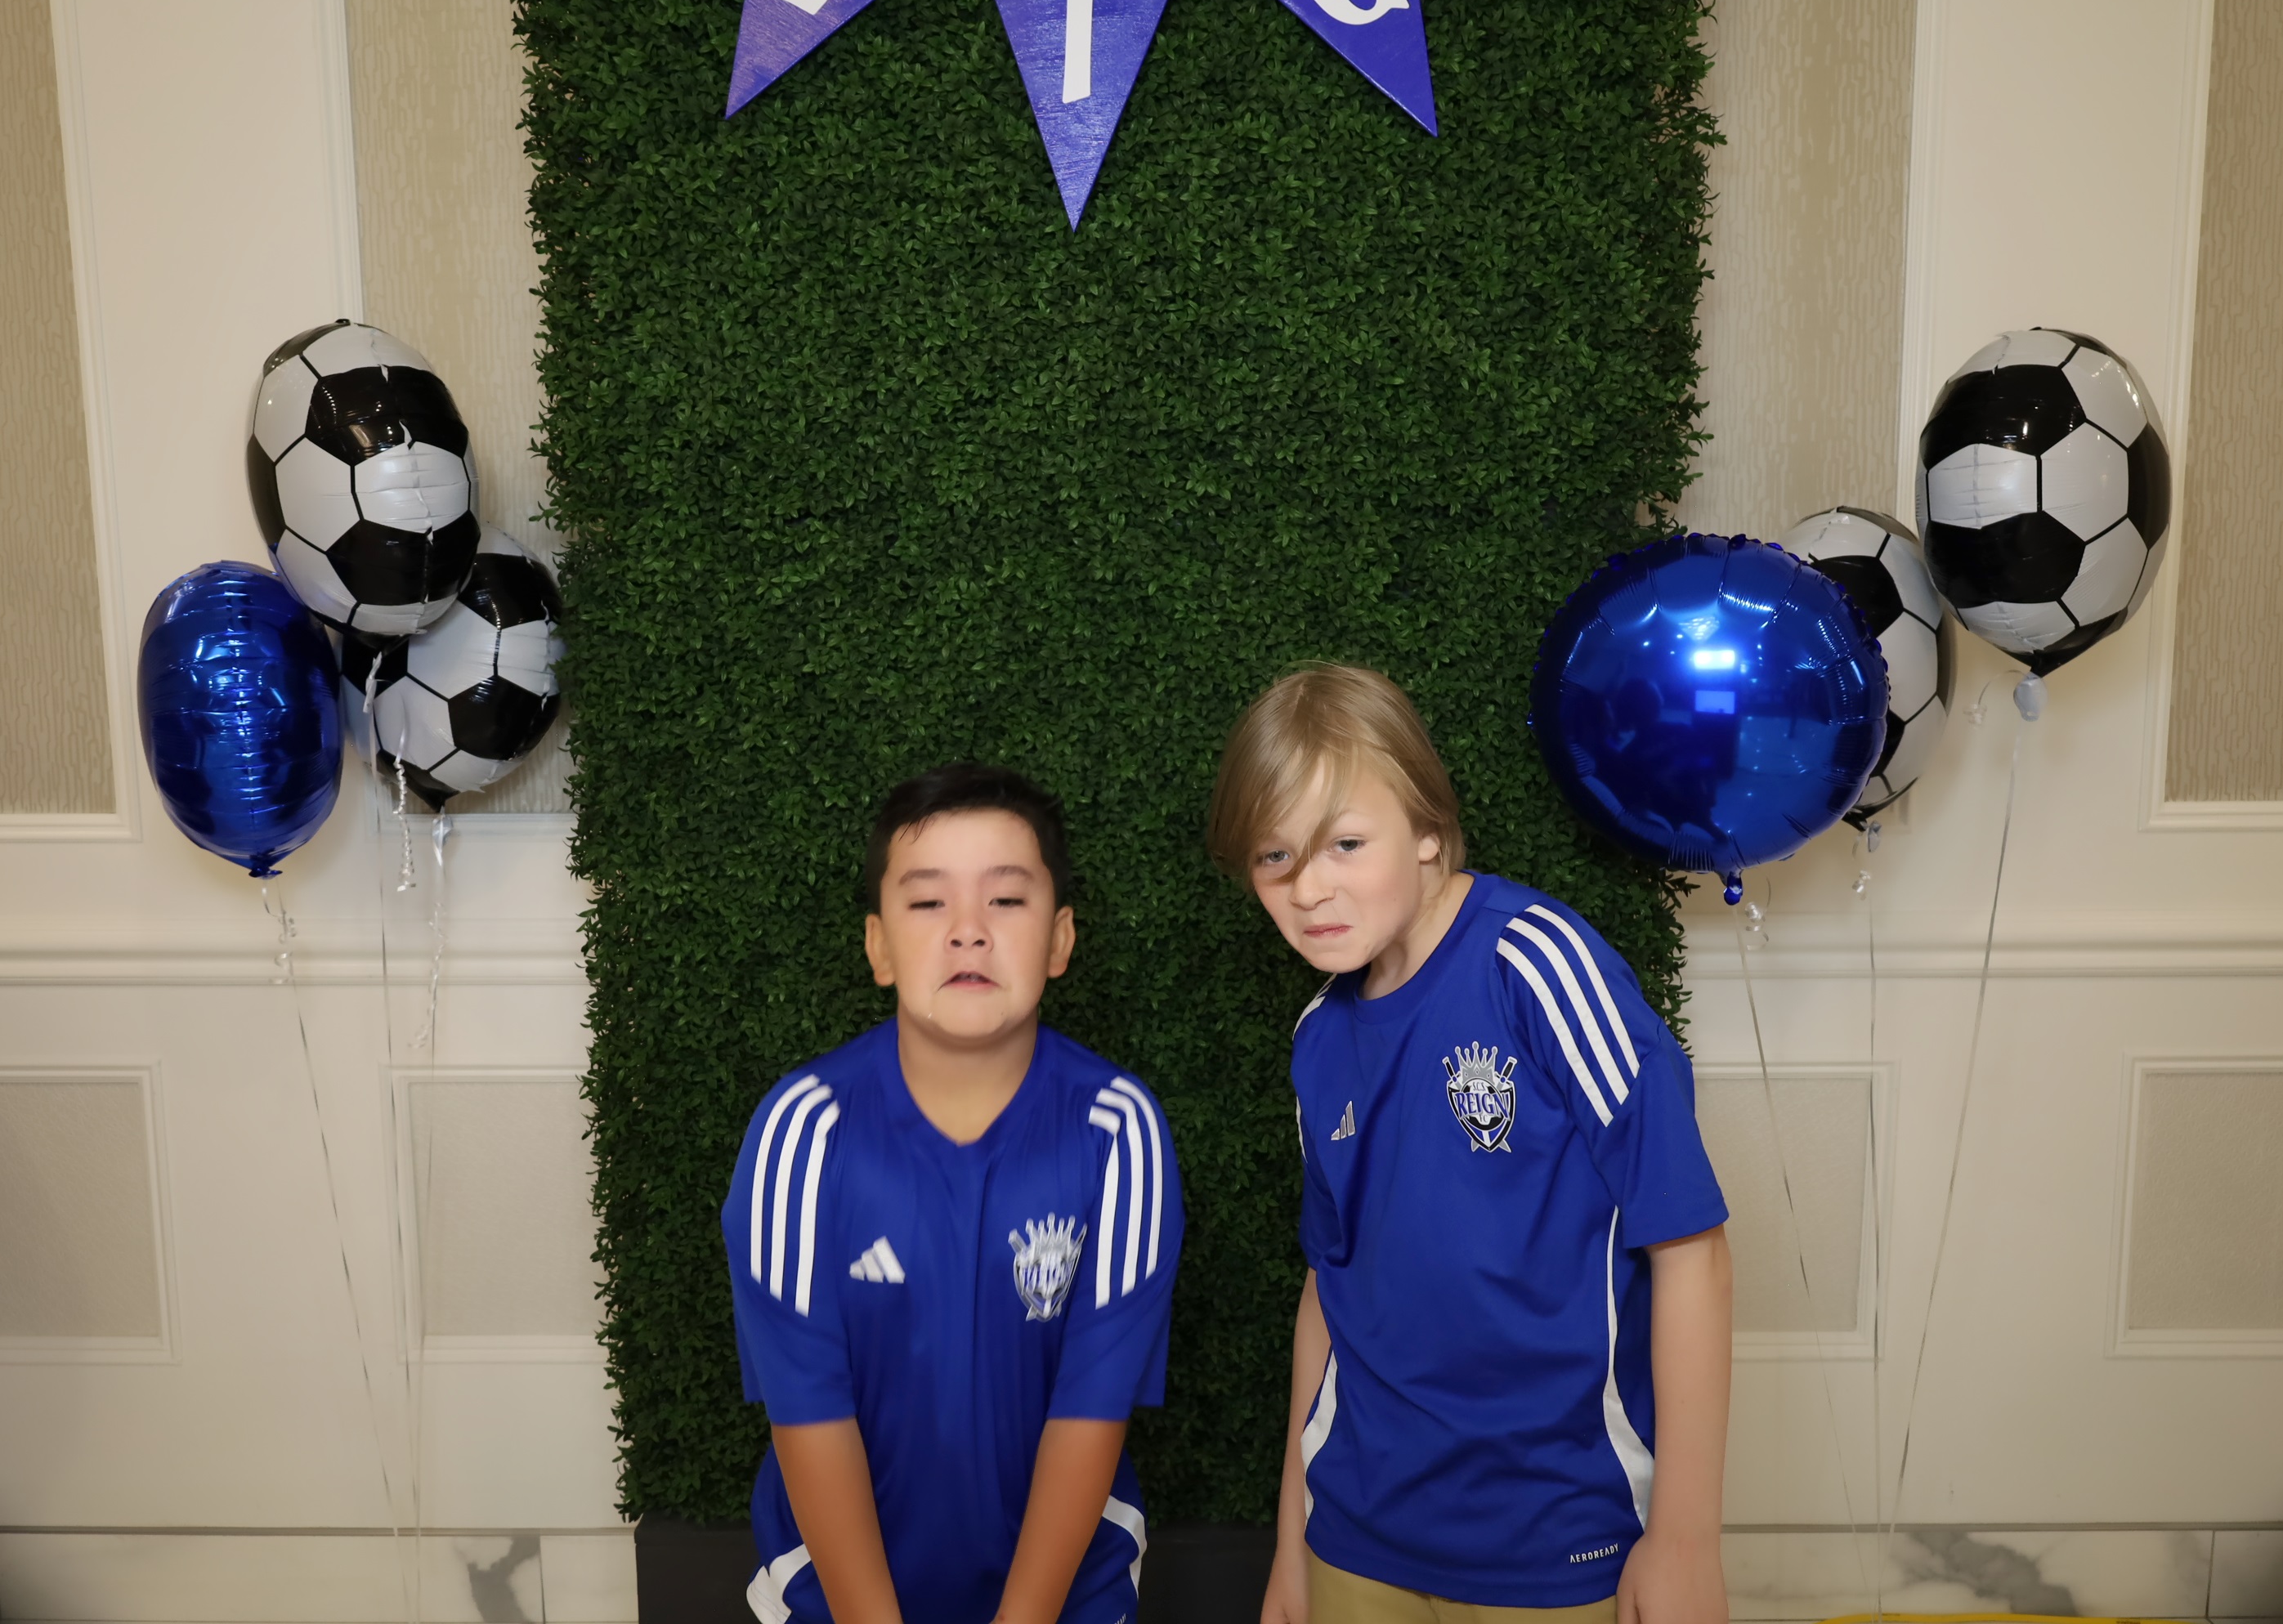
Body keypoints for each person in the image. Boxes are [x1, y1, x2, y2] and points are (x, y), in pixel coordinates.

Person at [1210, 666, 1733, 1624]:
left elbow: (1688, 1243)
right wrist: (1293, 1541)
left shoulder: (1539, 967)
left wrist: (1687, 1539)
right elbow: (1329, 1292)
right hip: (1357, 1535)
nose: (1309, 887)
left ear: (1426, 829)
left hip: (1555, 1539)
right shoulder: (1319, 1037)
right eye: (1275, 855)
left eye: (1345, 843)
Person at [725, 764, 1181, 1624]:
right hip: (831, 1593)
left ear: (1060, 940)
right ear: (879, 947)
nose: (969, 932)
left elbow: (1090, 1412)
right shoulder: (803, 1131)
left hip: (1066, 1595)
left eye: (1006, 900)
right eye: (929, 903)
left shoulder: (1119, 1131)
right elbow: (809, 1414)